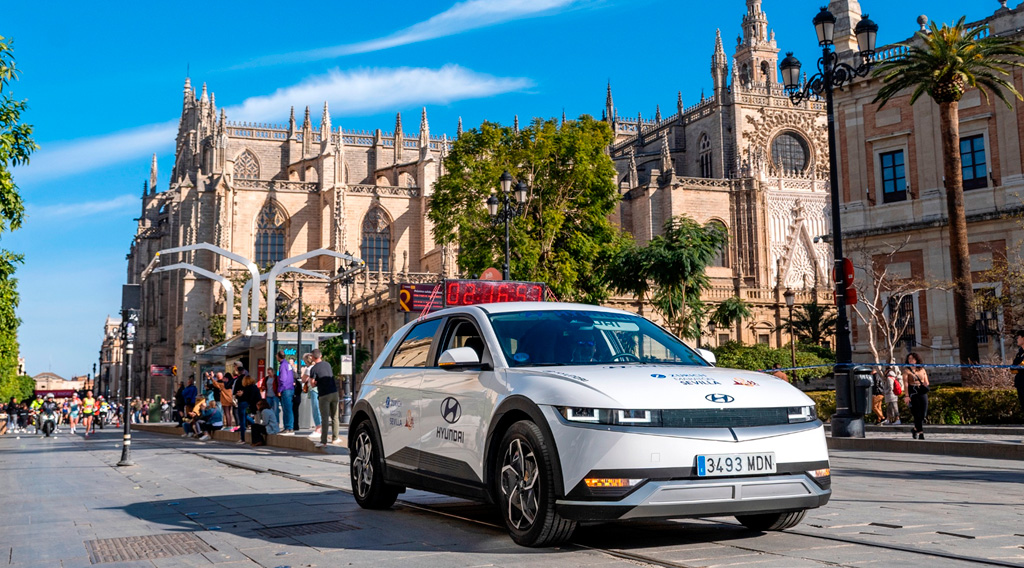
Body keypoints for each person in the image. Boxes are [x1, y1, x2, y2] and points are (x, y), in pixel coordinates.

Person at [309, 349, 340, 447]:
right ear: (321, 356)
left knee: (325, 418)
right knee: (335, 417)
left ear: (312, 357)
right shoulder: (328, 364)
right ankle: (335, 438)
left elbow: (312, 383)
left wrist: (316, 382)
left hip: (324, 395)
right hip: (334, 393)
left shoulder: (313, 369)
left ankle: (323, 441)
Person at [902, 353, 930, 440]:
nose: (911, 360)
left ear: (916, 359)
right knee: (917, 413)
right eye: (909, 359)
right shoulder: (906, 370)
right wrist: (907, 396)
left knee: (923, 413)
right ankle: (921, 433)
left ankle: (915, 429)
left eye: (912, 359)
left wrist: (925, 384)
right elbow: (905, 384)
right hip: (913, 391)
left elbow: (926, 381)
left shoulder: (922, 369)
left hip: (921, 391)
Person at [235, 372, 260, 444]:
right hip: (249, 405)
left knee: (242, 421)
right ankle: (255, 425)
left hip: (243, 404)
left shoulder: (247, 388)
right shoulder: (254, 387)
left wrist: (240, 395)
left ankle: (243, 438)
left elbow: (247, 397)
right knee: (245, 417)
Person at [300, 353, 321, 438]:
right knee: (319, 408)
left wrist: (302, 371)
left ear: (306, 361)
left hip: (313, 390)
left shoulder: (309, 369)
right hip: (320, 389)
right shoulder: (317, 367)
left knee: (315, 409)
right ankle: (320, 427)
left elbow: (303, 379)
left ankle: (318, 428)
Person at [276, 351, 296, 433]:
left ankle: (288, 427)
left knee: (286, 409)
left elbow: (283, 379)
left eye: (276, 356)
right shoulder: (287, 364)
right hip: (290, 388)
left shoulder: (283, 365)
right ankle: (289, 427)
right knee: (289, 409)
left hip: (285, 389)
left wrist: (279, 389)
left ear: (278, 356)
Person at [1013, 330, 1024, 415]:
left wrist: (1019, 367)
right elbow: (1013, 369)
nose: (1017, 339)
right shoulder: (1019, 353)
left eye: (1018, 337)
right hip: (1020, 384)